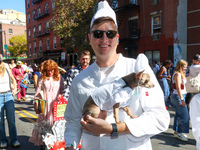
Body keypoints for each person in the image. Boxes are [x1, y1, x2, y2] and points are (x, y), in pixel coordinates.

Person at [64, 1, 170, 150]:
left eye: (110, 33)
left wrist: (114, 128)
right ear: (90, 38)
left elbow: (160, 118)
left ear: (118, 37)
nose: (104, 39)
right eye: (98, 34)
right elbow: (73, 122)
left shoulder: (137, 69)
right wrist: (69, 146)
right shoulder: (79, 80)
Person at [29, 59, 65, 149]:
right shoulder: (42, 78)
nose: (50, 72)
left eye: (52, 70)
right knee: (45, 126)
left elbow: (63, 90)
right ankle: (44, 145)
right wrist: (36, 105)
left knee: (56, 126)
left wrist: (61, 95)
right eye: (48, 70)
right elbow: (37, 93)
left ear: (55, 69)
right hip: (45, 106)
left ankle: (55, 146)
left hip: (56, 105)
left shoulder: (59, 77)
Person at [0, 54, 20, 148]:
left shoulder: (7, 68)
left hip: (8, 95)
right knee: (0, 121)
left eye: (0, 61)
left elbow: (13, 79)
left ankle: (14, 140)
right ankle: (3, 140)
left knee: (11, 120)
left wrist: (15, 88)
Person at [171, 59, 189, 141]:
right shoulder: (178, 74)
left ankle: (177, 131)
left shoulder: (180, 73)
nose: (186, 68)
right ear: (180, 66)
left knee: (178, 114)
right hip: (179, 96)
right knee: (184, 115)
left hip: (179, 95)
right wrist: (182, 99)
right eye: (184, 67)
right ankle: (179, 132)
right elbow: (178, 87)